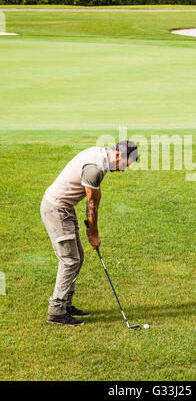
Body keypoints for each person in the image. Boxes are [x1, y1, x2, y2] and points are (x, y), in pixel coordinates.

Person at [40, 140, 138, 326]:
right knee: (70, 260)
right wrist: (93, 233)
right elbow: (92, 204)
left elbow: (95, 195)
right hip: (56, 210)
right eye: (124, 164)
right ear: (117, 155)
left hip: (65, 209)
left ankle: (67, 304)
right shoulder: (95, 169)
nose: (124, 170)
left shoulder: (98, 153)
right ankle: (56, 311)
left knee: (78, 257)